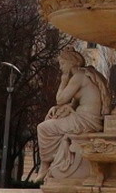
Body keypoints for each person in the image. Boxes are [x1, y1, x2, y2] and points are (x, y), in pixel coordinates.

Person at [37, 48, 108, 185]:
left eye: (62, 64)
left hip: (85, 120)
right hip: (88, 117)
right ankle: (56, 160)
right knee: (54, 120)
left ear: (70, 63)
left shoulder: (78, 77)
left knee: (43, 128)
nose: (61, 67)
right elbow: (73, 103)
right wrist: (61, 109)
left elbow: (60, 99)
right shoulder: (85, 75)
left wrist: (63, 80)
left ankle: (46, 163)